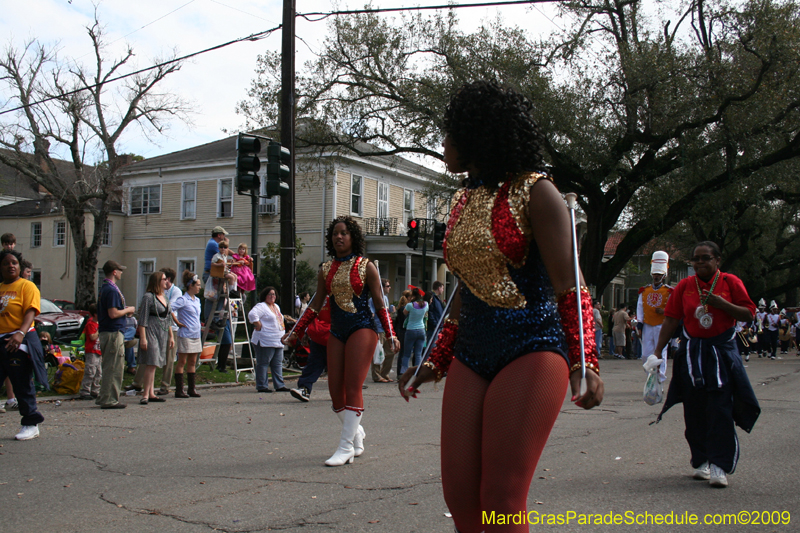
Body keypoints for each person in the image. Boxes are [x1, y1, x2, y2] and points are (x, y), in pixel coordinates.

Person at [397, 81, 603, 532]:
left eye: (450, 134)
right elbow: (465, 288)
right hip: (473, 351)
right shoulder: (463, 198)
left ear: (477, 135)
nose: (443, 144)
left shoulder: (538, 192)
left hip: (532, 346)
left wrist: (584, 363)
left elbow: (571, 286)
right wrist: (435, 359)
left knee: (501, 499)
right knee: (460, 496)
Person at [284, 215, 399, 467]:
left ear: (352, 237)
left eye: (344, 233)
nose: (339, 237)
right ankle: (356, 432)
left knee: (352, 386)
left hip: (362, 328)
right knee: (335, 393)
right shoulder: (326, 269)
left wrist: (390, 333)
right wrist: (296, 331)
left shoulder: (367, 266)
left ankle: (346, 447)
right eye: (335, 233)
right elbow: (315, 305)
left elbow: (380, 303)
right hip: (336, 332)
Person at [653, 241, 759, 488]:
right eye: (696, 259)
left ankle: (719, 465)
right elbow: (671, 319)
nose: (700, 262)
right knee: (694, 410)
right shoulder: (685, 286)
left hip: (721, 353)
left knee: (719, 409)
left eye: (706, 258)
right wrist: (657, 351)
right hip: (692, 354)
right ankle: (701, 461)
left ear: (717, 260)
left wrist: (722, 304)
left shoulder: (730, 282)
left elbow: (748, 313)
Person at [0, 249, 47, 439]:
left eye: (14, 263)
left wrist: (20, 333)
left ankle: (30, 423)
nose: (10, 266)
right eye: (6, 263)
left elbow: (31, 311)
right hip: (1, 339)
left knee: (21, 383)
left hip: (19, 339)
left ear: (19, 267)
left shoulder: (27, 286)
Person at [96, 260, 136, 409]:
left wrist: (123, 310)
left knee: (109, 365)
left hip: (108, 331)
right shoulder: (112, 290)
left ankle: (104, 396)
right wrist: (128, 310)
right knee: (114, 367)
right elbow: (113, 313)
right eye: (120, 270)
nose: (121, 273)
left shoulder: (105, 287)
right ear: (114, 272)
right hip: (113, 332)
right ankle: (110, 399)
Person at [136, 271, 174, 405]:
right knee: (151, 362)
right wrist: (143, 338)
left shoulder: (165, 297)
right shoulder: (148, 297)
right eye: (164, 279)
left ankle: (151, 393)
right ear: (157, 281)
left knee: (156, 362)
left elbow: (168, 319)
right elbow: (142, 319)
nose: (166, 281)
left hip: (162, 332)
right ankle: (145, 394)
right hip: (151, 331)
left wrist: (171, 336)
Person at [636, 251, 673, 381]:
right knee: (646, 354)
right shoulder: (644, 290)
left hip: (662, 325)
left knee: (661, 352)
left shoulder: (669, 291)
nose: (656, 277)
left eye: (659, 275)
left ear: (663, 276)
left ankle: (660, 379)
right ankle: (650, 377)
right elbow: (640, 308)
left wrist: (665, 311)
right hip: (647, 325)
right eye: (655, 274)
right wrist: (639, 325)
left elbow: (674, 308)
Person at [290, 297, 331, 402]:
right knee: (313, 365)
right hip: (318, 337)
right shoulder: (319, 296)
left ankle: (343, 392)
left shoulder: (340, 295)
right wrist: (305, 333)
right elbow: (310, 315)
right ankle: (304, 389)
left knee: (338, 367)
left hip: (334, 338)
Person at [249, 287, 289, 393]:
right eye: (270, 294)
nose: (272, 296)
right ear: (265, 295)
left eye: (274, 294)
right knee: (263, 363)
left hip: (277, 340)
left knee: (277, 363)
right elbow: (252, 314)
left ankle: (279, 385)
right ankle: (262, 386)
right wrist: (258, 324)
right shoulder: (261, 306)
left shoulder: (276, 306)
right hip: (265, 340)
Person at [171, 270, 203, 398]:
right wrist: (177, 322)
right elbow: (170, 309)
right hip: (185, 334)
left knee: (193, 361)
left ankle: (191, 388)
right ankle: (179, 389)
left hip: (196, 334)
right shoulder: (183, 300)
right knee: (182, 361)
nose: (199, 287)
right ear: (191, 285)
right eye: (197, 285)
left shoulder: (197, 300)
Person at [369, 279, 396, 383]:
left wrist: (390, 309)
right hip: (378, 329)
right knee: (378, 352)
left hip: (386, 329)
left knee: (391, 352)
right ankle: (376, 375)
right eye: (388, 286)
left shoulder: (385, 298)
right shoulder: (373, 299)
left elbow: (386, 312)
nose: (389, 288)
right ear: (382, 287)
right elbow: (372, 314)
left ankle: (384, 373)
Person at [400, 287, 428, 375]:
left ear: (413, 296)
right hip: (421, 330)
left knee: (407, 354)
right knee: (418, 354)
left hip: (411, 330)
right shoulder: (426, 304)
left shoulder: (410, 305)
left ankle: (404, 372)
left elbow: (404, 312)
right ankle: (417, 372)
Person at [78, 304, 102, 400]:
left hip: (99, 351)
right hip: (92, 350)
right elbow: (92, 337)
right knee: (90, 371)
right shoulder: (90, 324)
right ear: (95, 314)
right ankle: (85, 391)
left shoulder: (99, 323)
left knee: (98, 372)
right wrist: (99, 330)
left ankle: (95, 390)